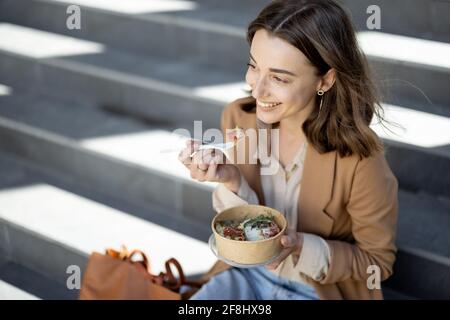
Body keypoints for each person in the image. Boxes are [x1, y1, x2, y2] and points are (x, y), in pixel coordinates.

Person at [179, 0, 398, 300]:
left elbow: (378, 263)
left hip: (317, 290)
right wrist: (231, 179)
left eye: (279, 78)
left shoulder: (361, 159)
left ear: (325, 79)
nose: (257, 90)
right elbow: (242, 229)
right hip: (247, 275)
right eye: (253, 66)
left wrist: (301, 246)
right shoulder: (239, 117)